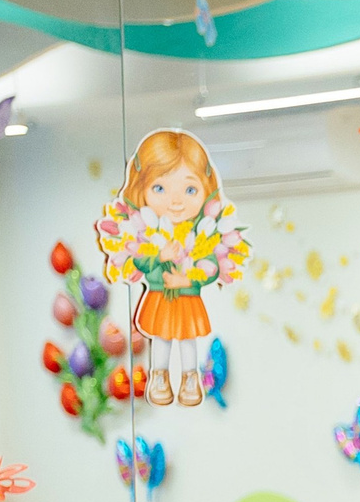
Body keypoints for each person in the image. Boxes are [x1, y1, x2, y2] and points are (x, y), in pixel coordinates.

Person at [96, 128, 248, 407]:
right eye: (160, 188)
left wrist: (189, 278)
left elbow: (211, 265)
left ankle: (190, 378)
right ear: (141, 190)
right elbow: (140, 260)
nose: (176, 201)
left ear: (207, 189)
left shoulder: (205, 232)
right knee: (163, 337)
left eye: (190, 189)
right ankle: (159, 376)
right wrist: (161, 257)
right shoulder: (145, 230)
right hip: (159, 296)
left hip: (187, 296)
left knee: (188, 339)